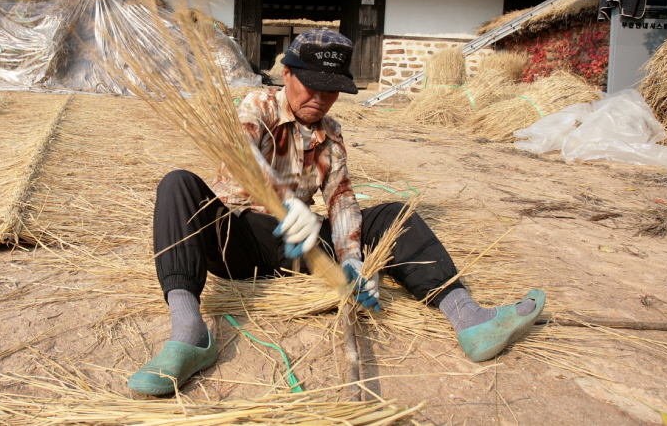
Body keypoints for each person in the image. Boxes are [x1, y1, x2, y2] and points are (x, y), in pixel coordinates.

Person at [127, 29, 545, 396]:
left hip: (299, 248)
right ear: (287, 74)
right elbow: (241, 152)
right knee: (178, 184)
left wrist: (351, 258)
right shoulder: (258, 106)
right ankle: (189, 333)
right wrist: (283, 200)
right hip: (237, 239)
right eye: (311, 86)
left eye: (331, 91)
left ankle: (467, 317)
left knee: (394, 215)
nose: (320, 99)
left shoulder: (331, 134)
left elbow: (341, 199)